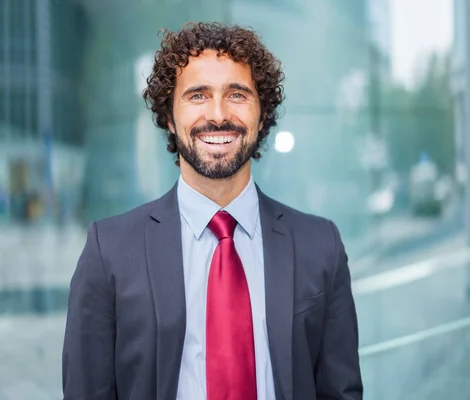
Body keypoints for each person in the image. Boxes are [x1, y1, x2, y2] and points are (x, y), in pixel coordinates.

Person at [62, 22, 362, 400]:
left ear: (262, 114)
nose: (218, 114)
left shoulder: (322, 246)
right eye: (197, 95)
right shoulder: (108, 252)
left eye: (237, 94)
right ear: (170, 118)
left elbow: (341, 391)